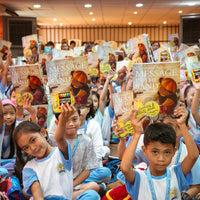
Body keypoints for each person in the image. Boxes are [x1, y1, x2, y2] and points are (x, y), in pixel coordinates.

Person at [120, 108, 199, 199]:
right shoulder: (140, 178)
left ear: (173, 152)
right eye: (155, 152)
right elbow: (125, 168)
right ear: (144, 150)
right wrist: (137, 133)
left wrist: (182, 125)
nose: (161, 158)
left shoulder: (176, 174)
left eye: (167, 152)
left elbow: (194, 155)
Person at [12, 109, 73, 199]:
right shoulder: (29, 168)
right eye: (26, 148)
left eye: (33, 140)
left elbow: (59, 138)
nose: (32, 148)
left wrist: (63, 120)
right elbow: (37, 195)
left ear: (43, 133)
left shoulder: (61, 153)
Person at [49, 105, 105, 199]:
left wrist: (71, 185)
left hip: (76, 184)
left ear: (80, 119)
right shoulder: (53, 140)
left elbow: (87, 170)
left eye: (74, 119)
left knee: (94, 186)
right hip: (56, 186)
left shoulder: (86, 141)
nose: (71, 124)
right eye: (65, 121)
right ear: (57, 122)